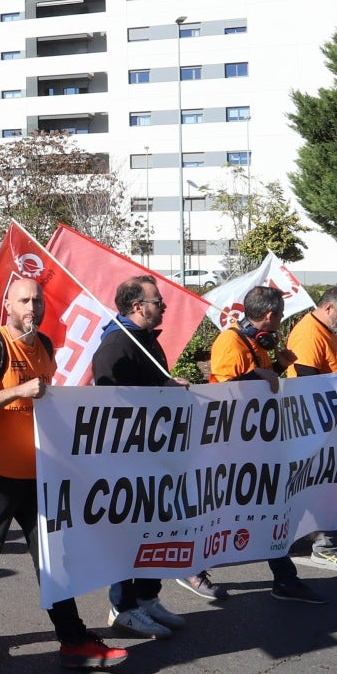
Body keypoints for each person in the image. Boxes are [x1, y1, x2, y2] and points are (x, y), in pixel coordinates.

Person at [0, 276, 126, 672]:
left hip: (38, 472)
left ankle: (73, 641)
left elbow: (46, 405)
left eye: (38, 301)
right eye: (25, 301)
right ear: (8, 306)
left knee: (51, 557)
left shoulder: (44, 346)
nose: (33, 308)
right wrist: (16, 391)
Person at [176, 284, 326, 606]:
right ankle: (191, 568)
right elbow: (228, 391)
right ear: (270, 315)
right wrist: (260, 374)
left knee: (269, 507)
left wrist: (278, 367)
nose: (281, 322)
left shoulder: (256, 343)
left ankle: (285, 579)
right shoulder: (230, 341)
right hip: (229, 443)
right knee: (217, 509)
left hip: (256, 441)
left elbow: (260, 387)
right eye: (280, 316)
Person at [93, 273, 190, 639]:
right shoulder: (116, 345)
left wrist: (166, 387)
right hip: (128, 455)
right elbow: (110, 399)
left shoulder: (145, 339)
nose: (164, 307)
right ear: (138, 307)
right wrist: (161, 390)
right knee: (129, 532)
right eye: (158, 302)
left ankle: (147, 597)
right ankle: (123, 607)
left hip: (155, 451)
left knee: (158, 527)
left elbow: (152, 386)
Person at [280, 286, 337, 574]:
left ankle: (299, 539)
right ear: (328, 308)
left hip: (326, 423)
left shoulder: (322, 331)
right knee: (320, 485)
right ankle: (322, 545)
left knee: (320, 485)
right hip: (316, 425)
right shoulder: (309, 333)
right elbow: (308, 382)